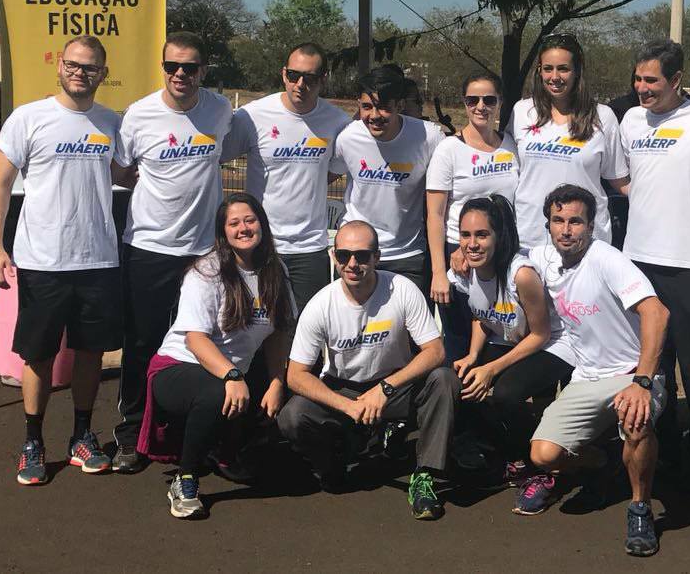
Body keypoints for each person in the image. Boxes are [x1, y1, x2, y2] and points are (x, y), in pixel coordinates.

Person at [0, 35, 125, 485]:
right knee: (39, 356)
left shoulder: (112, 122)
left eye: (90, 67)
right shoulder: (29, 117)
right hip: (42, 261)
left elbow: (129, 173)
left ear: (103, 73)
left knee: (90, 353)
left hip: (98, 260)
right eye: (74, 64)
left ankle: (82, 436)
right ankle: (33, 442)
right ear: (60, 65)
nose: (81, 73)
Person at [518, 185, 669, 559]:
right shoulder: (543, 258)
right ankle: (604, 461)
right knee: (543, 455)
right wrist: (460, 256)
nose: (566, 229)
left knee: (636, 421)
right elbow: (505, 256)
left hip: (632, 373)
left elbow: (657, 312)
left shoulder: (606, 259)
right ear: (548, 225)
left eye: (575, 221)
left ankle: (640, 508)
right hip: (587, 376)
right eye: (558, 221)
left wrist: (642, 382)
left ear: (590, 226)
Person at [278, 220, 461, 520]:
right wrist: (348, 406)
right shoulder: (321, 304)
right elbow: (296, 375)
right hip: (344, 389)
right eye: (344, 255)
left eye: (362, 256)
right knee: (293, 416)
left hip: (395, 387)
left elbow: (435, 351)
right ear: (334, 256)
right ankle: (335, 461)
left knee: (444, 379)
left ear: (377, 257)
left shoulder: (401, 289)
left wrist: (385, 388)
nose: (352, 264)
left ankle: (425, 476)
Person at [112, 31, 234, 474]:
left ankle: (188, 431)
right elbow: (121, 172)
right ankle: (131, 434)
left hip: (204, 252)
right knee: (142, 342)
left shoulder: (220, 110)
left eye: (190, 67)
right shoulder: (139, 115)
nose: (180, 74)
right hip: (149, 247)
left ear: (204, 70)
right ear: (162, 68)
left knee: (200, 342)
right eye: (172, 66)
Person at [142, 193, 294, 518]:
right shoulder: (206, 271)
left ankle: (228, 450)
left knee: (294, 382)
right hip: (178, 366)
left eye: (250, 220)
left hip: (231, 372)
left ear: (262, 224)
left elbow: (279, 333)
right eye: (234, 223)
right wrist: (232, 375)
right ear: (223, 231)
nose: (243, 228)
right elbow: (195, 339)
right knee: (217, 393)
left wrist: (277, 382)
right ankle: (185, 479)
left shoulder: (275, 270)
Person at [620, 39, 690, 477]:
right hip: (638, 260)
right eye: (637, 79)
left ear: (677, 79)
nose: (642, 88)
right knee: (652, 362)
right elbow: (623, 177)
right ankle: (659, 452)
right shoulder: (630, 119)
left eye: (651, 80)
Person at [449, 195, 574, 479]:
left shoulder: (521, 275)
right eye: (466, 235)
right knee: (461, 380)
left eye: (482, 235)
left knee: (506, 393)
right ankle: (497, 448)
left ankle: (539, 458)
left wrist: (491, 369)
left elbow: (540, 334)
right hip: (510, 339)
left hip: (551, 344)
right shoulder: (467, 270)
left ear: (498, 235)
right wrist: (472, 356)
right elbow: (482, 316)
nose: (472, 244)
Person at [223, 43, 351, 309]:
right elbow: (215, 157)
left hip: (310, 248)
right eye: (294, 75)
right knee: (258, 325)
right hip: (259, 243)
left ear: (323, 79)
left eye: (310, 78)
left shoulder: (338, 122)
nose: (300, 84)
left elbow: (334, 170)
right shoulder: (252, 116)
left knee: (309, 327)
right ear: (284, 74)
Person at [426, 71, 519, 360]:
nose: (481, 107)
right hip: (462, 254)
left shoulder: (510, 145)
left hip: (503, 253)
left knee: (499, 339)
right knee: (459, 341)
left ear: (500, 102)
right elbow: (435, 215)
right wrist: (439, 273)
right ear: (464, 103)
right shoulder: (449, 150)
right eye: (472, 100)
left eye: (489, 100)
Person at [331, 66, 445, 294]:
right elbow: (323, 177)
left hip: (407, 255)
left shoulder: (429, 137)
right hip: (356, 253)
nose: (374, 116)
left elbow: (446, 195)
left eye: (383, 107)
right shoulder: (348, 137)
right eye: (367, 107)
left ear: (400, 106)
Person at [511, 33, 628, 251]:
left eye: (563, 69)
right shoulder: (521, 111)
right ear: (539, 71)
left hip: (586, 243)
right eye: (548, 68)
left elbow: (620, 182)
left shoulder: (603, 116)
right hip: (530, 239)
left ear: (577, 72)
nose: (555, 76)